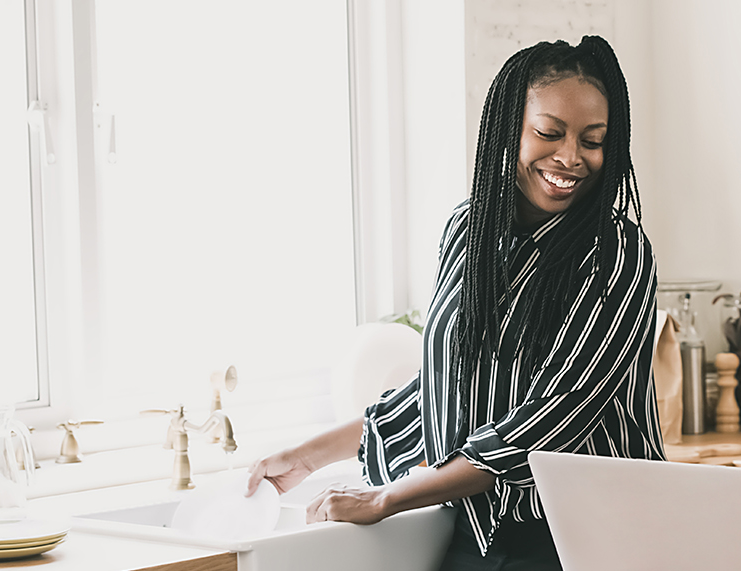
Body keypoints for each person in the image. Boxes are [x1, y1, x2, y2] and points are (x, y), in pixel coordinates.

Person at [245, 36, 662, 571]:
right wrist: (305, 456)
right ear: (508, 129)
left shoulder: (617, 252)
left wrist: (389, 496)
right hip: (478, 531)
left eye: (593, 140)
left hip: (588, 538)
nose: (571, 157)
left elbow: (553, 418)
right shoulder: (468, 232)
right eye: (548, 133)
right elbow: (443, 388)